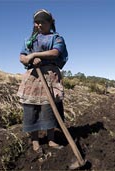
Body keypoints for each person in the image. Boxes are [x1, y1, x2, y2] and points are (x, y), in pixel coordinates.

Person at [17, 9, 68, 153]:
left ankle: (51, 139)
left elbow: (55, 52)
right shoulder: (30, 40)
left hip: (50, 76)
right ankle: (35, 141)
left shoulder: (56, 38)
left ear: (50, 23)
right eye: (36, 22)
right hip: (33, 76)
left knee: (49, 108)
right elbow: (22, 56)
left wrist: (34, 55)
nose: (39, 25)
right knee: (31, 109)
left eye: (42, 22)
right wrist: (28, 59)